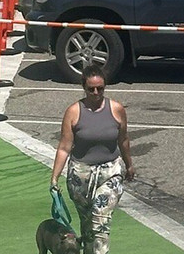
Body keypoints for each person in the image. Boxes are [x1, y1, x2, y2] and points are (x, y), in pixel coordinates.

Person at [50, 63, 135, 254]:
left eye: (100, 88)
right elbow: (64, 147)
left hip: (110, 171)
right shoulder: (73, 112)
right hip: (81, 174)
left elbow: (124, 140)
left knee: (101, 217)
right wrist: (54, 177)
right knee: (88, 226)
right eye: (91, 89)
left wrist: (129, 165)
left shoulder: (117, 109)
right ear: (84, 88)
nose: (96, 93)